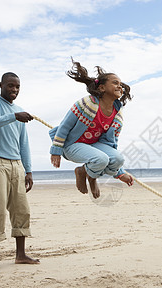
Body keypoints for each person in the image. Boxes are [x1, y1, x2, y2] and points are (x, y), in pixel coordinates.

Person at [0, 72, 40, 271]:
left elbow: (24, 144)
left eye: (17, 87)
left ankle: (20, 255)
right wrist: (13, 116)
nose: (14, 90)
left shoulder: (20, 111)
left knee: (22, 210)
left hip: (17, 166)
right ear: (1, 85)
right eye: (10, 86)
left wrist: (28, 170)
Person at [50, 59, 134, 198]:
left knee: (118, 159)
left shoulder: (117, 114)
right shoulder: (86, 103)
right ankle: (84, 173)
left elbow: (112, 144)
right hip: (73, 144)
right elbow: (65, 126)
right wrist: (56, 151)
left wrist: (120, 173)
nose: (119, 86)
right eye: (115, 83)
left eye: (120, 84)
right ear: (101, 88)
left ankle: (89, 175)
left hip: (94, 145)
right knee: (101, 159)